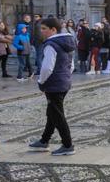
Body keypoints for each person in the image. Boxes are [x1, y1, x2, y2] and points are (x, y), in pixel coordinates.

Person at [28, 17, 76, 156]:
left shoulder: (51, 44)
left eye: (44, 29)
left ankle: (68, 145)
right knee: (52, 112)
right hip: (63, 82)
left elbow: (47, 67)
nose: (41, 31)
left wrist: (41, 82)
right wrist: (65, 76)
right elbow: (71, 65)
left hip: (54, 84)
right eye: (41, 28)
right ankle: (44, 140)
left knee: (57, 114)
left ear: (53, 29)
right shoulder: (67, 42)